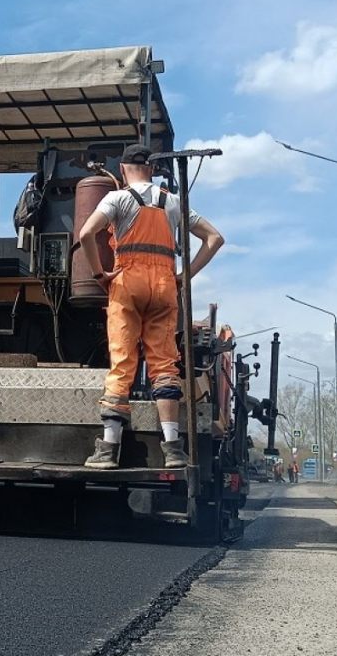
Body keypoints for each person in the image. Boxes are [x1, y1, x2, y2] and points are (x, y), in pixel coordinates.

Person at [79, 144, 224, 470]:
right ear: (153, 171)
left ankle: (108, 451)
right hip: (163, 287)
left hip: (126, 283)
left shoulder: (117, 198)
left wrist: (99, 273)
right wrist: (184, 275)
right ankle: (173, 449)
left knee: (122, 364)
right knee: (164, 366)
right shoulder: (172, 201)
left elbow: (87, 232)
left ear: (123, 169)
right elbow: (214, 238)